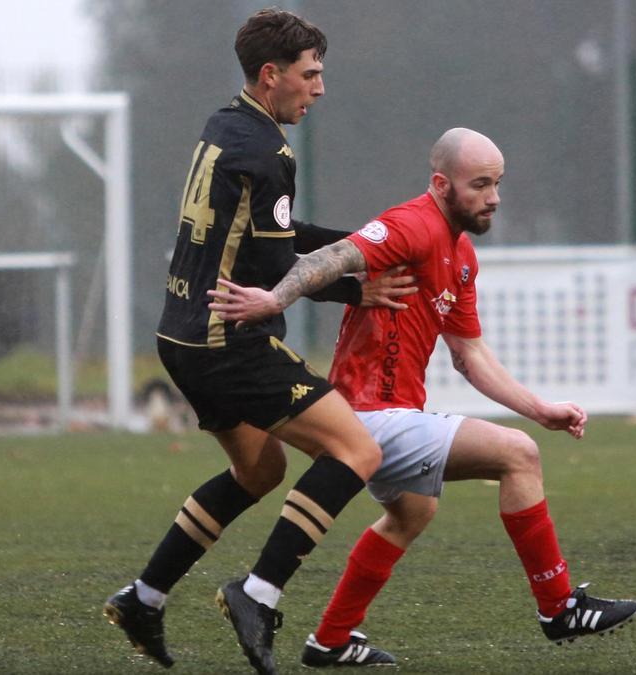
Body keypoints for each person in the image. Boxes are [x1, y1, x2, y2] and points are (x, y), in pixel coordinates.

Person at [206, 127, 636, 667]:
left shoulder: (461, 255)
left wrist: (540, 409)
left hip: (390, 415)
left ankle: (332, 640)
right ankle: (559, 609)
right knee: (518, 455)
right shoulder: (412, 224)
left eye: (498, 184)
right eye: (480, 184)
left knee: (412, 511)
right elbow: (335, 256)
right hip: (366, 415)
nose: (494, 198)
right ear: (442, 184)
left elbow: (471, 356)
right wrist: (274, 298)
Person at [103, 9, 410, 674]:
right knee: (356, 448)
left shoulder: (225, 125)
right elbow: (275, 272)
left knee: (261, 470)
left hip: (179, 336)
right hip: (229, 341)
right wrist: (355, 285)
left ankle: (144, 596)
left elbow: (272, 233)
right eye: (311, 74)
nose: (319, 88)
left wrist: (355, 248)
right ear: (272, 76)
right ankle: (258, 591)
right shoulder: (270, 152)